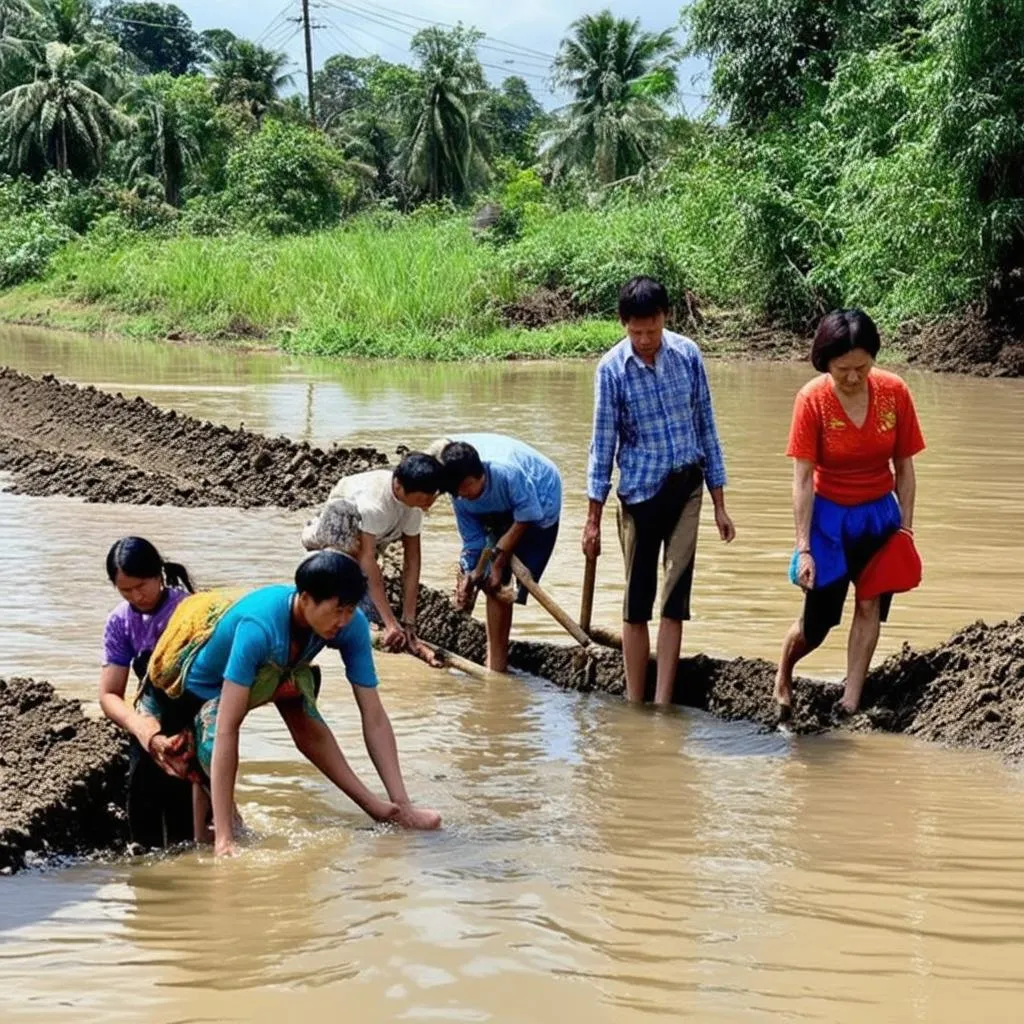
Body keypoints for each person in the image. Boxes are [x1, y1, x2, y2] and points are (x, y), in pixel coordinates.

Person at [140, 550, 441, 856]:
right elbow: (228, 728)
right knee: (212, 746)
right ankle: (223, 827)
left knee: (306, 714)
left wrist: (403, 802)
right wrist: (225, 840)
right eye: (337, 610)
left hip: (279, 670)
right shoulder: (257, 628)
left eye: (350, 610)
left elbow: (373, 714)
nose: (344, 620)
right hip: (204, 689)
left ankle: (388, 810)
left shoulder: (351, 625)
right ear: (306, 598)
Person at [583, 276, 736, 706]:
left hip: (687, 488)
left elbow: (707, 427)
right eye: (636, 332)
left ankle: (665, 702)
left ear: (665, 319)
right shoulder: (611, 370)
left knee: (674, 599)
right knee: (637, 603)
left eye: (652, 330)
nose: (645, 340)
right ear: (623, 325)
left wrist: (720, 503)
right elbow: (602, 445)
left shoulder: (687, 355)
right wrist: (591, 520)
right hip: (638, 495)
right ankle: (635, 702)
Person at [775, 309, 925, 720]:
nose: (854, 377)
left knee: (869, 603)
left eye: (862, 367)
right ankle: (785, 670)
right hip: (827, 521)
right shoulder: (812, 401)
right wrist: (803, 548)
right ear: (825, 363)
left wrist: (906, 531)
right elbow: (802, 480)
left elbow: (905, 469)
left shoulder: (895, 393)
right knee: (818, 624)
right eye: (844, 369)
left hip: (878, 517)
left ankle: (851, 697)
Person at [98, 536, 196, 846]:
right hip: (147, 721)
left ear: (158, 575)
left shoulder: (189, 611)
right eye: (125, 590)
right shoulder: (120, 621)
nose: (136, 596)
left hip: (190, 718)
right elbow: (110, 693)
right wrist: (141, 728)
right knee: (141, 799)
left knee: (186, 822)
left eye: (141, 585)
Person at [438, 434, 562, 673]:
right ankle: (495, 664)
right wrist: (469, 574)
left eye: (466, 488)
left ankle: (497, 661)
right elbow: (473, 541)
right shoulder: (459, 495)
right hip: (502, 506)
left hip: (540, 497)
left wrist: (498, 561)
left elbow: (528, 514)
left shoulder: (507, 473)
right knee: (489, 582)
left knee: (502, 578)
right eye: (457, 492)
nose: (462, 496)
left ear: (480, 475)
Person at [302, 453, 443, 661]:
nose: (428, 503)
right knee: (356, 607)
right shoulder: (374, 504)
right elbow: (367, 560)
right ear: (398, 487)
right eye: (423, 498)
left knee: (377, 614)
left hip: (374, 538)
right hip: (334, 535)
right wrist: (390, 622)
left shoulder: (412, 507)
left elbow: (412, 561)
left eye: (433, 496)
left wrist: (408, 621)